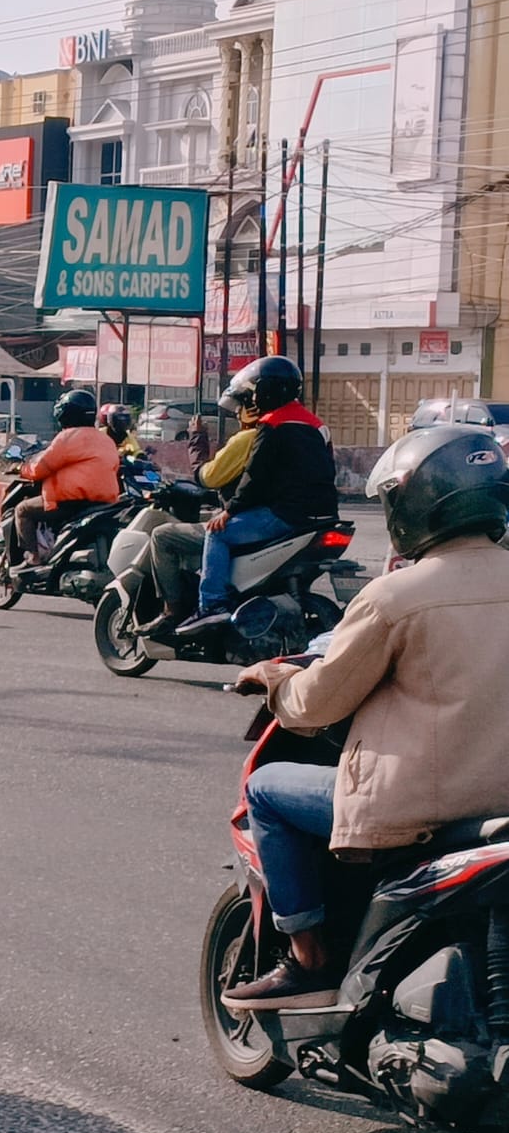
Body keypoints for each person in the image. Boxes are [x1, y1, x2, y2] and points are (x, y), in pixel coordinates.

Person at [221, 424, 509, 1010]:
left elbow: (316, 704)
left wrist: (275, 679)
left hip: (422, 804)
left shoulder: (395, 597)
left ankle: (308, 961)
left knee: (266, 788)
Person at [176, 356, 337, 635]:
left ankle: (211, 605)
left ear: (267, 390)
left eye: (255, 392)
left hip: (286, 515)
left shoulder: (273, 424)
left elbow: (255, 476)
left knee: (217, 533)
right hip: (323, 515)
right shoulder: (316, 425)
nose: (253, 399)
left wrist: (230, 511)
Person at [135, 389, 262, 636]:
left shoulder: (246, 439)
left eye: (238, 408)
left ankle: (173, 611)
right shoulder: (281, 435)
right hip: (273, 517)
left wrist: (197, 437)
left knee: (163, 536)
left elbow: (207, 476)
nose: (236, 414)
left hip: (248, 520)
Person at [10, 389, 121, 572]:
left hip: (70, 502)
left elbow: (39, 468)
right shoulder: (106, 439)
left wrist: (21, 468)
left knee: (22, 510)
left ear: (65, 413)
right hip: (104, 503)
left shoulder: (67, 437)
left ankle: (34, 557)